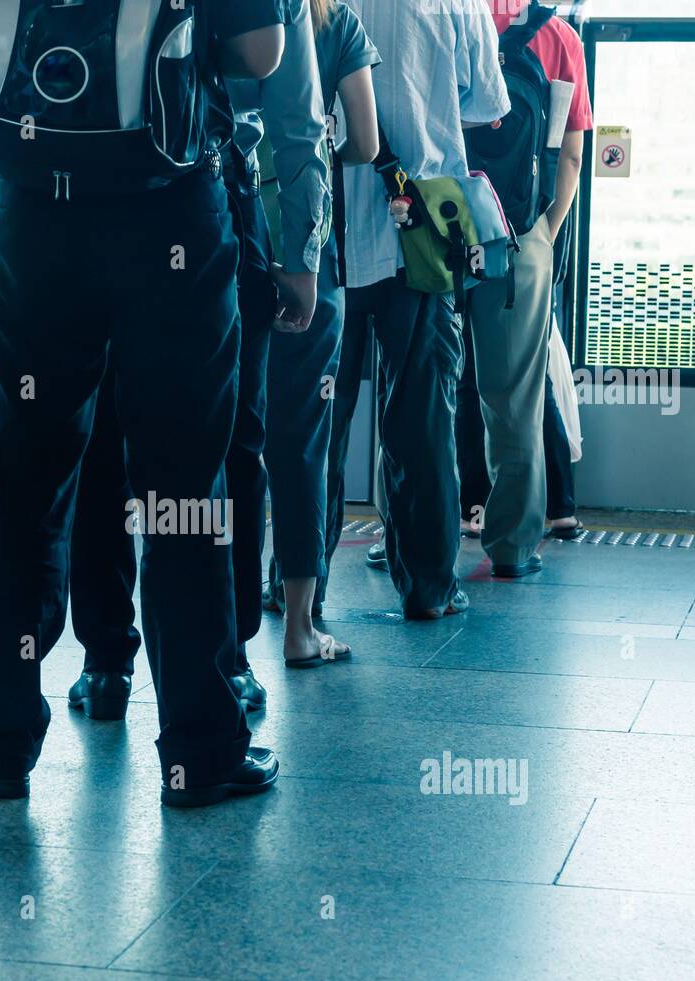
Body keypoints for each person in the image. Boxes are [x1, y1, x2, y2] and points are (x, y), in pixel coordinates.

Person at [0, 0, 289, 808]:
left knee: (23, 480)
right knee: (185, 491)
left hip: (31, 214)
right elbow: (260, 52)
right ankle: (201, 752)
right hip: (168, 213)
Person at [62, 0, 331, 717]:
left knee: (105, 442)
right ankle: (227, 661)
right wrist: (301, 255)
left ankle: (107, 659)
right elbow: (298, 118)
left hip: (75, 203)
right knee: (229, 447)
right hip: (210, 204)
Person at [320, 0, 510, 619]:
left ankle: (297, 584)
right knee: (425, 421)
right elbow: (487, 104)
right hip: (423, 236)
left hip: (327, 234)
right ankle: (428, 587)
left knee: (319, 420)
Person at [455, 0, 594, 570]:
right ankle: (512, 547)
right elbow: (571, 155)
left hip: (436, 227)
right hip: (519, 236)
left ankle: (416, 540)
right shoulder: (560, 37)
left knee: (419, 388)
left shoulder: (446, 21)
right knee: (515, 396)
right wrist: (542, 233)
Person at [262, 0, 379, 666]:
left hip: (222, 241)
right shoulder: (338, 25)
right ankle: (300, 627)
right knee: (302, 443)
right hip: (310, 258)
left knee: (219, 446)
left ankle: (217, 633)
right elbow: (364, 141)